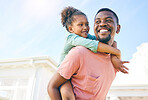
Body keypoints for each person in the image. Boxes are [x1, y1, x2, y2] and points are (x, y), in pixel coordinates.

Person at [48, 7, 129, 100]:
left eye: (87, 24)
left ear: (118, 28)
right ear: (71, 29)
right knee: (67, 94)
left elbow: (112, 42)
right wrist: (117, 52)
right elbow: (52, 86)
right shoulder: (76, 46)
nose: (85, 28)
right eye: (97, 22)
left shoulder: (113, 62)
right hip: (64, 73)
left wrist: (115, 57)